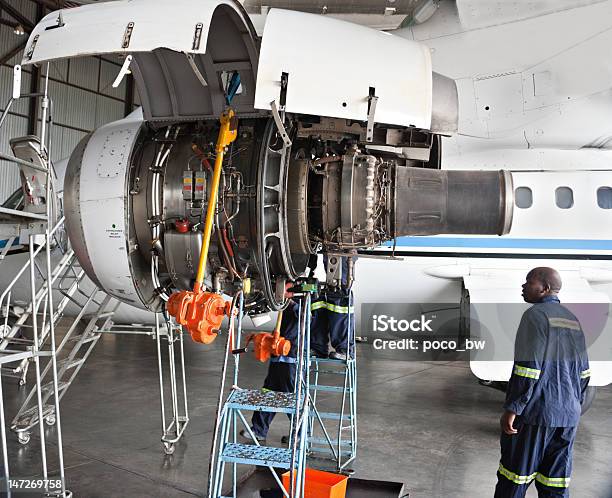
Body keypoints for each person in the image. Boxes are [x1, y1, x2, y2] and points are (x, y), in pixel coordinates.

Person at [494, 267, 590, 498]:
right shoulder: (572, 318)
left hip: (537, 415)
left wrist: (513, 408)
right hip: (567, 416)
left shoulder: (535, 316)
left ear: (544, 288)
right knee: (555, 484)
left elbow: (528, 369)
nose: (523, 286)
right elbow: (584, 372)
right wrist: (572, 405)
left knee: (514, 478)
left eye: (529, 281)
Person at [240, 298, 300, 444]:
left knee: (292, 397)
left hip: (292, 359)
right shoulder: (286, 304)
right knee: (268, 392)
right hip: (277, 356)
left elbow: (306, 317)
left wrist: (292, 303)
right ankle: (259, 430)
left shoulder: (304, 301)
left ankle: (300, 432)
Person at [310, 255, 356, 360]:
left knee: (340, 296)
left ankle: (345, 350)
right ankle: (318, 348)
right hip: (323, 250)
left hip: (342, 251)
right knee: (317, 300)